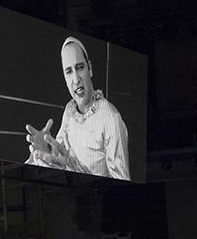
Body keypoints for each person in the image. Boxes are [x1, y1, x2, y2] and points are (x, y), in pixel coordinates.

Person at [25, 36, 130, 181]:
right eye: (69, 71)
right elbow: (59, 157)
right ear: (65, 78)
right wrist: (46, 151)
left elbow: (121, 182)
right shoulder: (70, 110)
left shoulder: (111, 119)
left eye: (80, 68)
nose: (76, 79)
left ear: (90, 69)